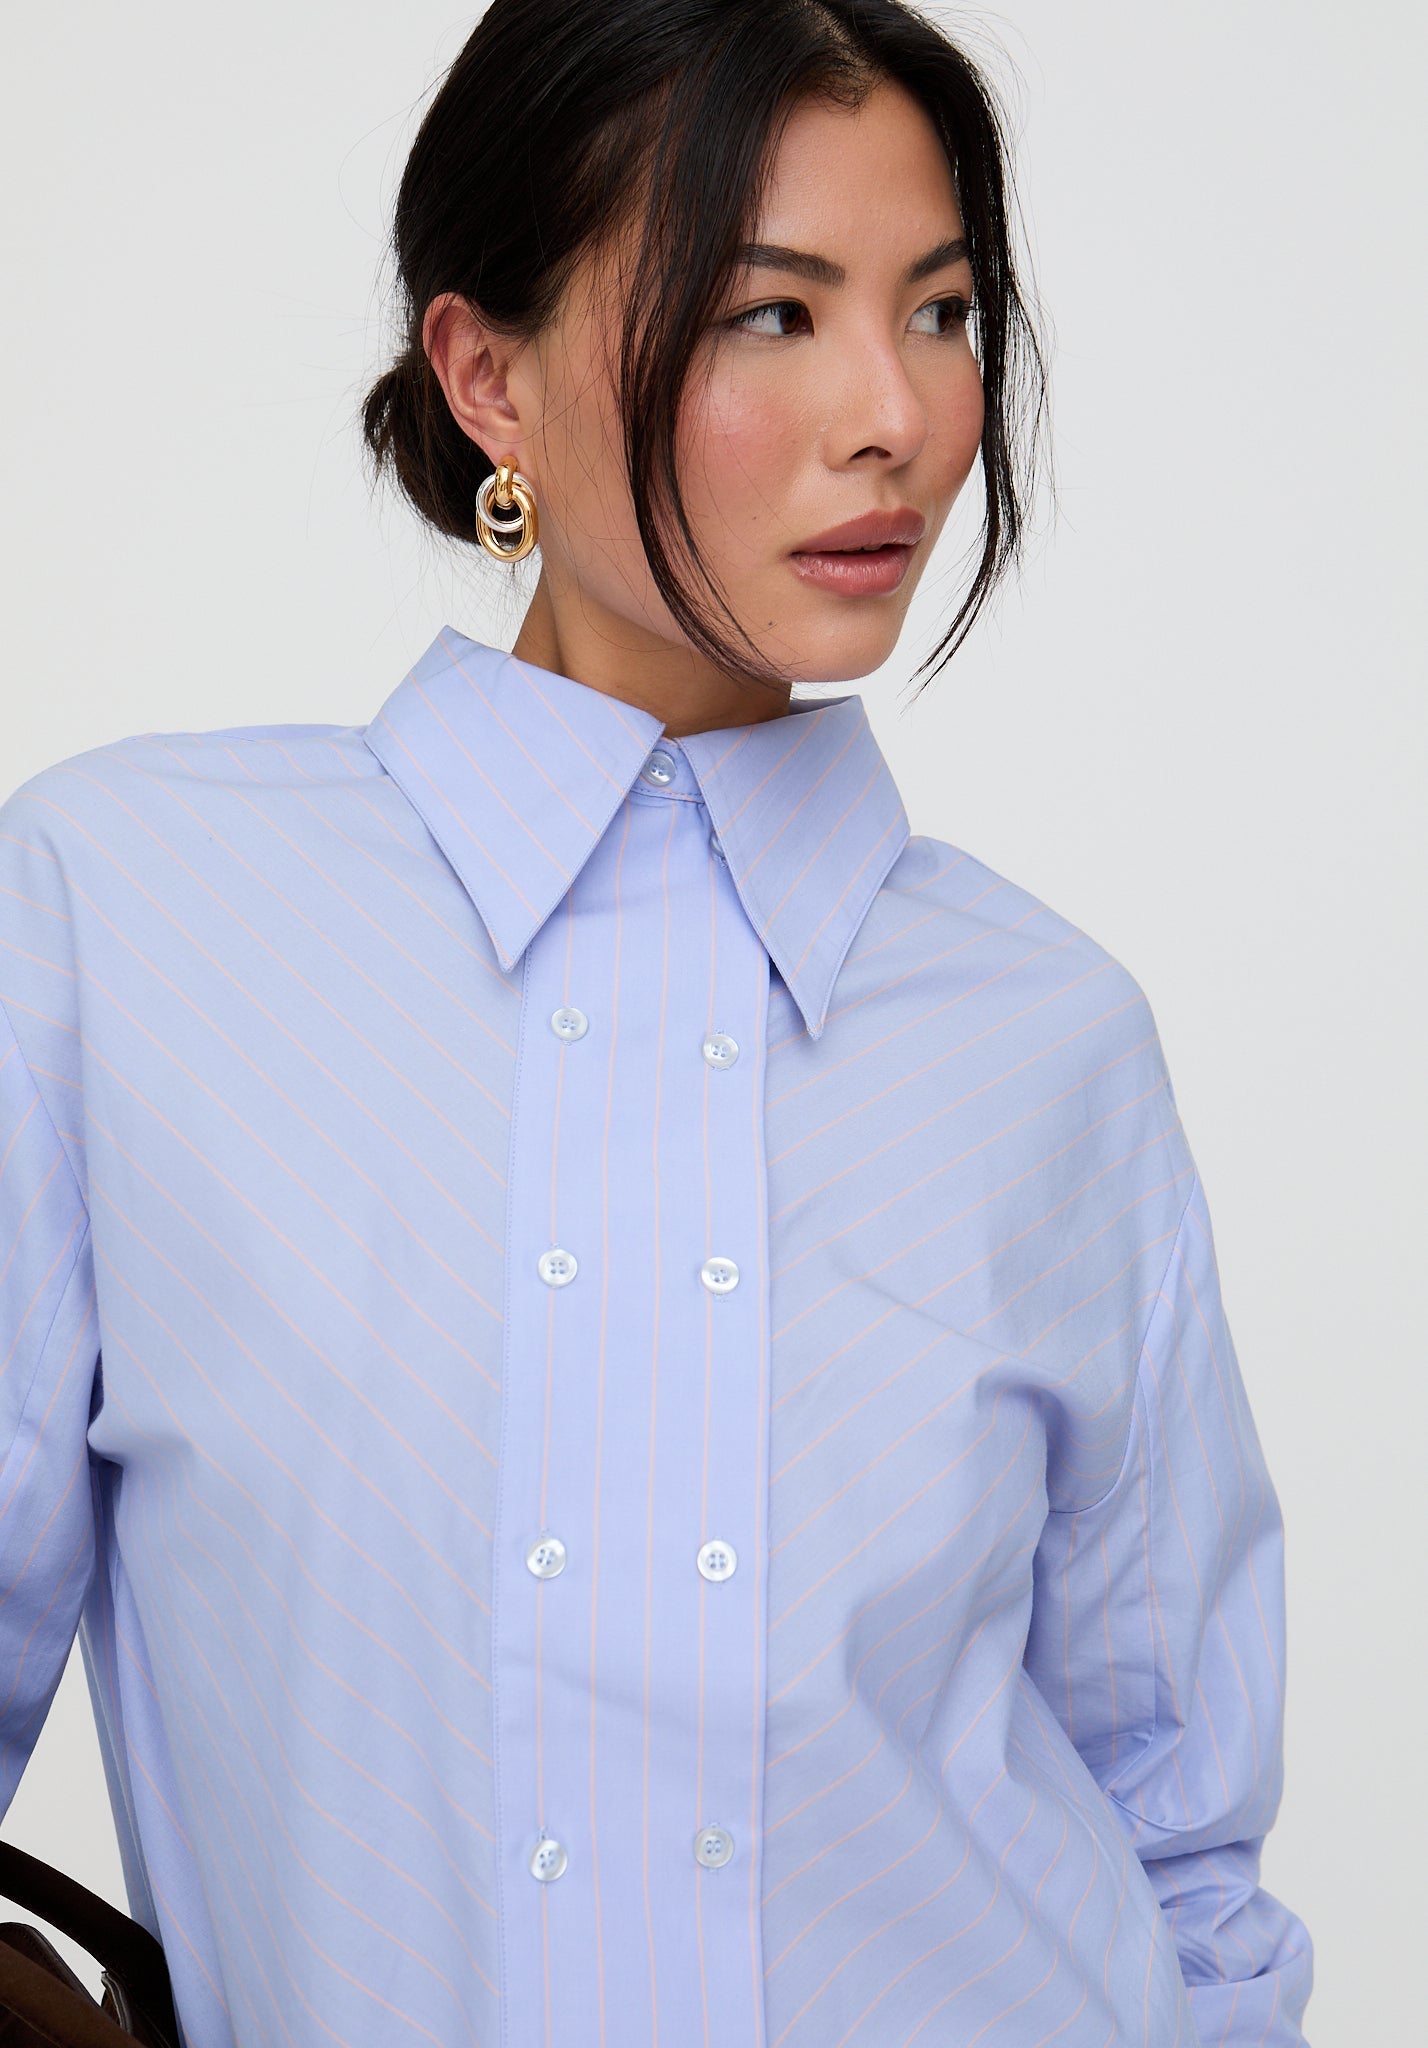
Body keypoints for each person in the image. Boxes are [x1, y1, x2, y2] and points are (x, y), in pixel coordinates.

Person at [0, 2, 1314, 2044]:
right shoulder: (122, 920)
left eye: (945, 309)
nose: (894, 410)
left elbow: (1185, 1855)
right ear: (486, 374)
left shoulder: (1050, 1041)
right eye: (769, 316)